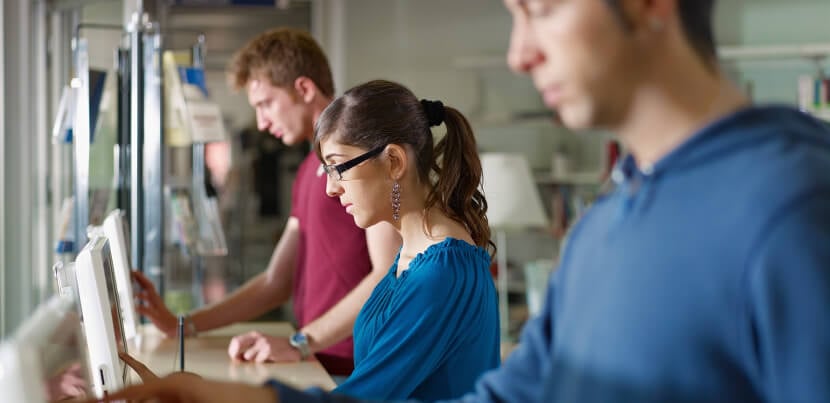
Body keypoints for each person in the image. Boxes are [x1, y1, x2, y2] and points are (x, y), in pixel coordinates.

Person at [99, 0, 830, 402]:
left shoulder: (795, 208)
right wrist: (215, 400)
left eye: (539, 10)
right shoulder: (609, 222)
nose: (519, 53)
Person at [132, 28, 401, 378]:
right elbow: (276, 280)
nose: (261, 122)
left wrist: (300, 342)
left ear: (303, 89)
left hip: (357, 365)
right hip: (318, 360)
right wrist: (184, 325)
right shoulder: (309, 169)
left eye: (266, 104)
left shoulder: (357, 159)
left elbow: (388, 272)